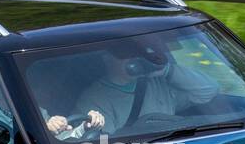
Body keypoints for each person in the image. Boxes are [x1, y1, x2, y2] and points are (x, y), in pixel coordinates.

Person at [46, 47, 218, 137]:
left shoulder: (156, 83)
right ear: (107, 59)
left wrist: (168, 71)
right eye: (124, 54)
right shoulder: (95, 98)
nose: (132, 58)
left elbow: (208, 90)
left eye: (136, 54)